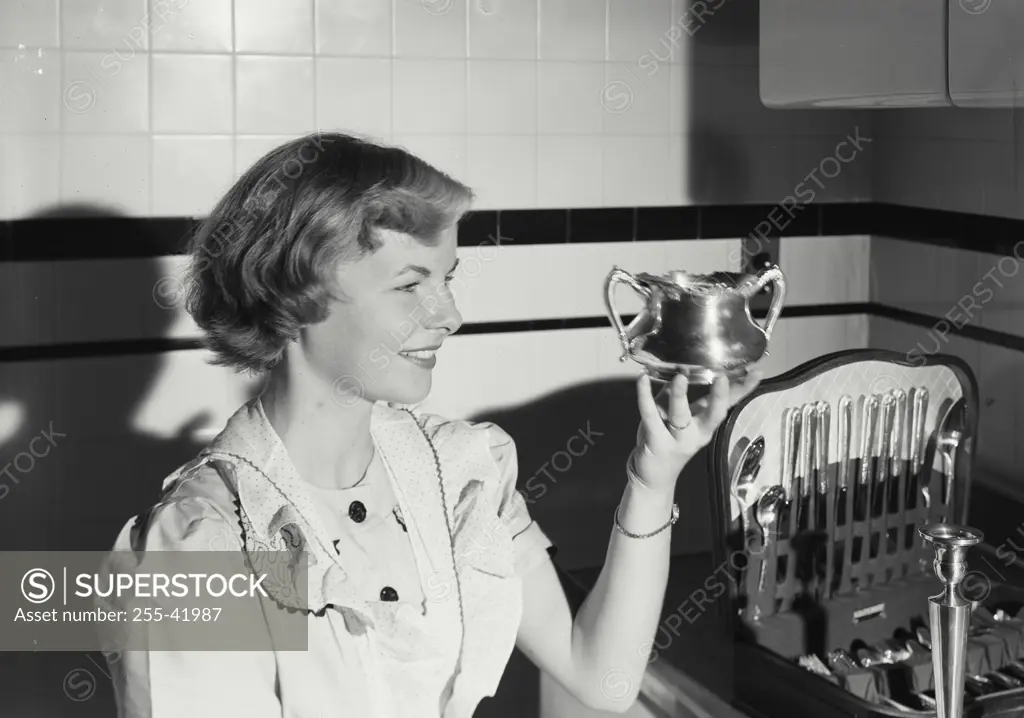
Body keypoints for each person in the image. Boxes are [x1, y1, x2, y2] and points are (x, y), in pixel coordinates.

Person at [105, 131, 760, 717]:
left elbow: (603, 678)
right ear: (295, 297)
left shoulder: (456, 470)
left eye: (446, 279)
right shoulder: (207, 543)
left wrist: (653, 476)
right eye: (409, 285)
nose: (449, 315)